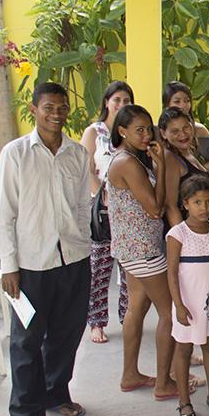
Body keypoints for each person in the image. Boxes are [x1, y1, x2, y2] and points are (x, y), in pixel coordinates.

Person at [0, 81, 91, 416]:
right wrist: (9, 265)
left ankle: (55, 393)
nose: (56, 113)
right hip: (31, 263)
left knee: (68, 332)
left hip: (73, 257)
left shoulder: (77, 155)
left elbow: (83, 206)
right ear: (34, 109)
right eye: (48, 107)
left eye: (62, 107)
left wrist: (81, 241)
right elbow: (6, 213)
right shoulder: (16, 154)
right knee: (26, 341)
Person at [106, 104, 180, 401]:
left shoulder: (130, 159)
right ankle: (164, 383)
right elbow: (155, 208)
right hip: (144, 250)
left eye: (149, 129)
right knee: (170, 312)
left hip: (131, 248)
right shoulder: (127, 163)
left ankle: (130, 375)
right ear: (121, 131)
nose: (146, 134)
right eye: (139, 129)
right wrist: (161, 167)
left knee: (137, 308)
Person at [165, 176, 209, 416]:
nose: (203, 208)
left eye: (208, 202)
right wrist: (179, 305)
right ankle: (184, 401)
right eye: (197, 202)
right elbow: (171, 273)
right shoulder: (177, 234)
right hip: (188, 303)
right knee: (183, 350)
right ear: (185, 204)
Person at [79, 80, 132, 344]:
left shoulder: (130, 133)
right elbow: (85, 169)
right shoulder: (94, 132)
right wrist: (103, 196)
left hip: (128, 213)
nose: (121, 105)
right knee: (99, 268)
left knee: (128, 269)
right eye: (117, 100)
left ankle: (127, 318)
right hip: (102, 210)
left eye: (126, 101)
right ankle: (97, 323)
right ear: (107, 103)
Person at [159, 107, 207, 228]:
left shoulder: (189, 152)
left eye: (186, 127)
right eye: (175, 131)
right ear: (163, 133)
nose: (182, 134)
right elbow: (170, 206)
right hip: (185, 236)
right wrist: (183, 241)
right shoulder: (170, 158)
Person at [162, 81, 209, 161]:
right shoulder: (158, 132)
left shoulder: (200, 130)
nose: (183, 105)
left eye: (187, 101)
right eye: (177, 101)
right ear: (166, 105)